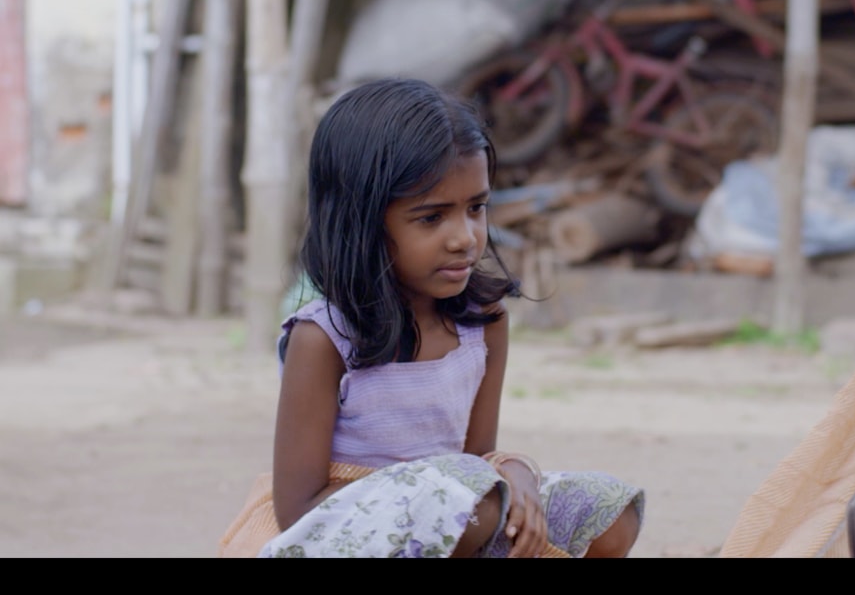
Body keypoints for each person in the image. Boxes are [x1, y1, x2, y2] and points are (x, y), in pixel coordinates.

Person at [218, 77, 644, 558]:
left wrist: (515, 470)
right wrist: (431, 494)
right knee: (466, 500)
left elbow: (478, 457)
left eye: (476, 208)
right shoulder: (324, 339)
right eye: (431, 217)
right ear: (363, 220)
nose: (464, 237)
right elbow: (299, 511)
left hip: (459, 516)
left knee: (604, 508)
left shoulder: (484, 323)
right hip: (338, 538)